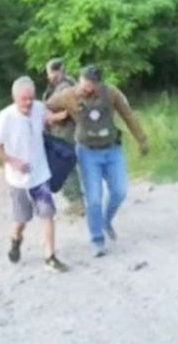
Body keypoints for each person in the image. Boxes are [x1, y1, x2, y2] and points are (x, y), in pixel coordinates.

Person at [45, 65, 148, 257]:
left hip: (111, 150)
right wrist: (60, 116)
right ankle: (97, 240)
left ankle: (106, 221)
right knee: (93, 198)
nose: (87, 87)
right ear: (80, 79)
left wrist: (141, 139)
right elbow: (46, 106)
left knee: (119, 191)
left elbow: (128, 115)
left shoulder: (111, 93)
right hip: (87, 152)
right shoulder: (68, 95)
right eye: (85, 82)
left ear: (98, 83)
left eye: (92, 84)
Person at [0, 76, 69, 272]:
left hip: (40, 175)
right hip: (18, 180)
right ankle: (16, 239)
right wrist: (13, 161)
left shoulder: (38, 107)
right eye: (24, 99)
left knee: (47, 213)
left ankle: (50, 256)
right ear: (14, 98)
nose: (28, 102)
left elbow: (48, 116)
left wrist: (65, 114)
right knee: (21, 220)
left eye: (31, 97)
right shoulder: (5, 117)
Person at [42, 58, 84, 215]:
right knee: (67, 166)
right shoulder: (65, 85)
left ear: (58, 71)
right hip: (60, 131)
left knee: (64, 167)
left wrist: (51, 118)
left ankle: (76, 202)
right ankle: (77, 200)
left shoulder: (65, 87)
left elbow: (69, 111)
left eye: (50, 73)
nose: (48, 77)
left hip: (64, 132)